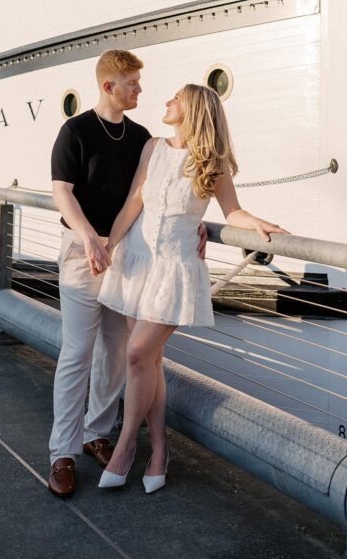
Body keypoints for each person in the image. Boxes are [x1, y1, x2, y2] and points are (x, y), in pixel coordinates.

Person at [96, 83, 290, 493]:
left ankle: (126, 446)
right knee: (149, 362)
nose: (166, 102)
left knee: (136, 355)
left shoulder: (213, 161)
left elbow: (231, 210)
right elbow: (135, 201)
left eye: (175, 98)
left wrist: (258, 224)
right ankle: (161, 449)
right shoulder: (153, 147)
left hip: (175, 268)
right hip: (137, 260)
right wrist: (109, 245)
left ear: (194, 109)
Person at [47, 51, 208, 498]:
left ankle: (97, 433)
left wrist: (194, 222)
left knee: (116, 352)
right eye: (132, 83)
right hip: (83, 253)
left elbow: (150, 195)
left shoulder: (141, 137)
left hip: (128, 257)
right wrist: (90, 239)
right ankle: (62, 452)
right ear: (108, 86)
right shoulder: (74, 131)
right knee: (78, 351)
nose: (140, 89)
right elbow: (62, 192)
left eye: (139, 82)